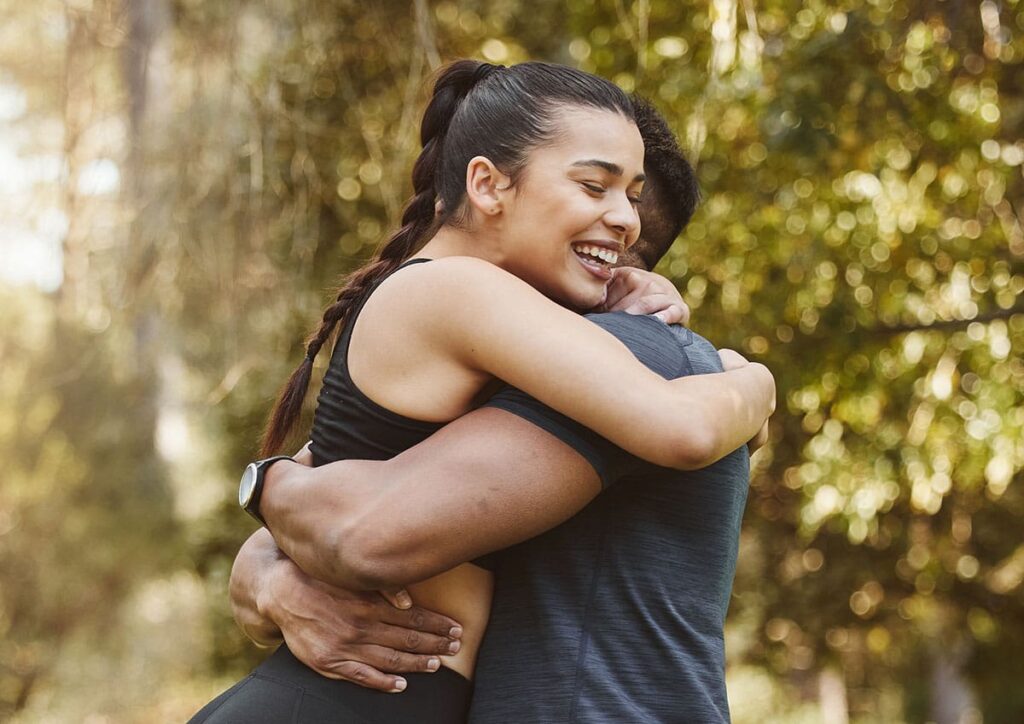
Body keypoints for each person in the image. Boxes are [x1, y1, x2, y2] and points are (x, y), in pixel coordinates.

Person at [191, 60, 773, 724]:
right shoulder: (456, 289)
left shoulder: (458, 309)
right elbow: (683, 429)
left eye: (632, 198)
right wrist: (752, 380)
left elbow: (310, 479)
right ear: (489, 185)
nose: (625, 223)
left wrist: (265, 521)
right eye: (593, 185)